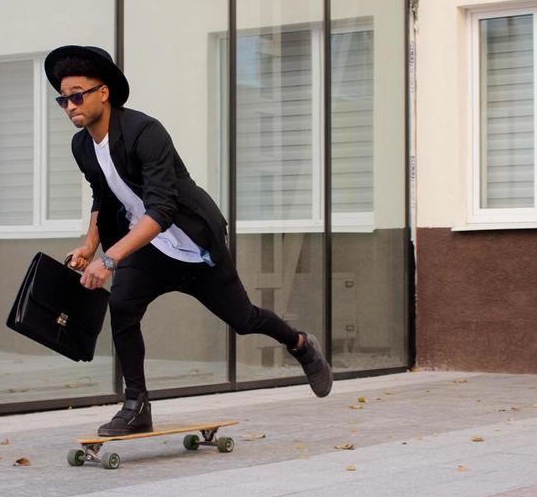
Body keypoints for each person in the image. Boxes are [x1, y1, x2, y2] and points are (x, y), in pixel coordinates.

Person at [50, 45, 332, 437]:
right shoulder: (82, 146)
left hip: (194, 247)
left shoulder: (145, 132)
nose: (69, 105)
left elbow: (162, 211)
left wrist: (110, 259)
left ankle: (300, 344)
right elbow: (103, 194)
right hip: (146, 249)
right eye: (62, 99)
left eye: (77, 95)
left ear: (104, 92)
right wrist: (89, 247)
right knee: (123, 308)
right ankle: (136, 405)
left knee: (244, 319)